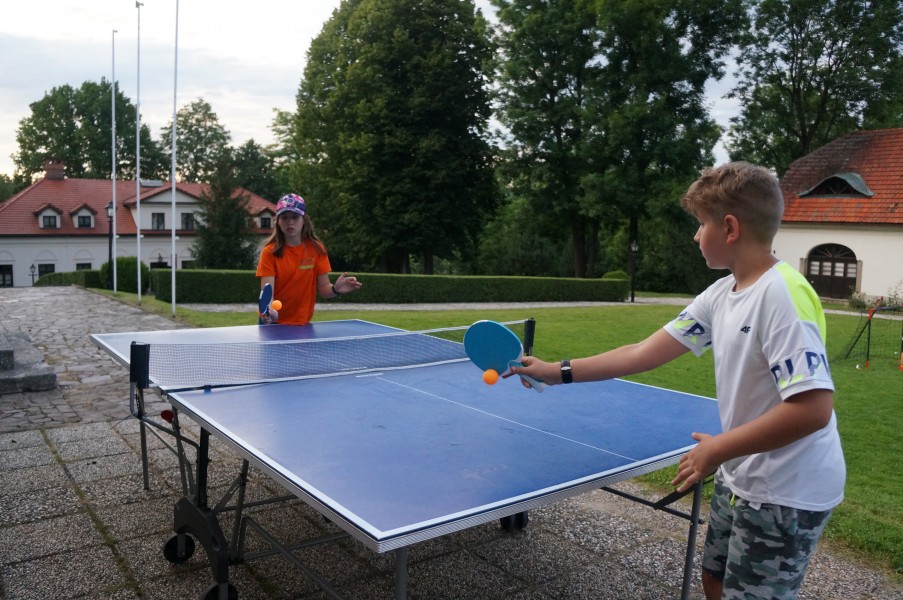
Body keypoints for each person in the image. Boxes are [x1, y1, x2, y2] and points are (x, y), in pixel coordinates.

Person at [510, 162, 845, 600]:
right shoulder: (721, 294)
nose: (695, 236)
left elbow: (813, 409)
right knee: (714, 579)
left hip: (787, 490)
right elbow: (641, 353)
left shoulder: (782, 295)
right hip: (741, 471)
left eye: (701, 223)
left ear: (729, 228)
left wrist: (719, 448)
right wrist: (555, 372)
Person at [256, 193, 362, 325]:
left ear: (304, 220)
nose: (290, 222)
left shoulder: (317, 249)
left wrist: (336, 289)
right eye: (284, 217)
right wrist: (269, 311)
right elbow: (267, 292)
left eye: (295, 217)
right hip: (273, 322)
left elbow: (324, 289)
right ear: (278, 222)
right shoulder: (269, 252)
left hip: (302, 322)